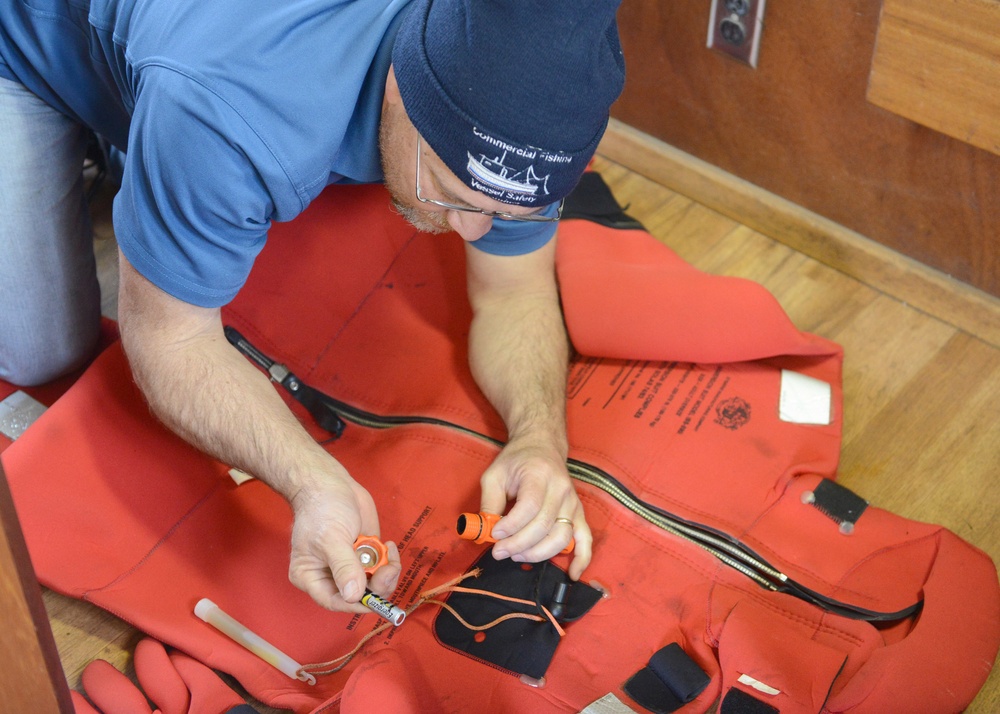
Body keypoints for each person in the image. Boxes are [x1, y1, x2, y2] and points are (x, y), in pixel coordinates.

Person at [0, 0, 625, 615]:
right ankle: (133, 140)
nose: (473, 232)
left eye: (507, 212)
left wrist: (539, 439)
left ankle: (151, 154)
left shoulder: (525, 89)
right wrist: (309, 480)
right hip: (29, 42)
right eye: (450, 191)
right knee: (42, 353)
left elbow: (514, 289)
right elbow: (171, 341)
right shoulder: (228, 100)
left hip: (186, 78)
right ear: (400, 93)